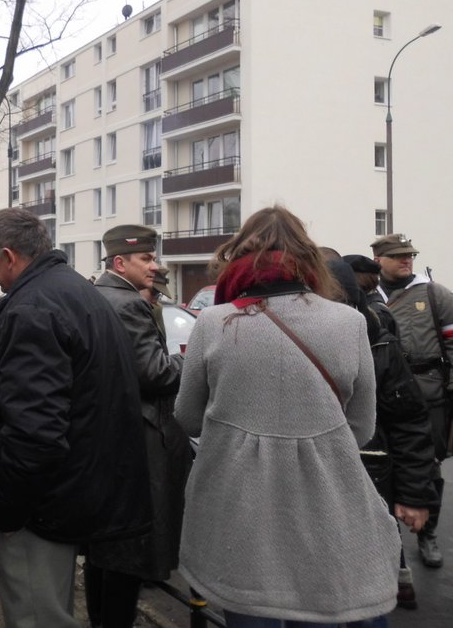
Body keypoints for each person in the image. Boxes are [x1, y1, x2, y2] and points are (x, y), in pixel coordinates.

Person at [175, 206, 399, 628]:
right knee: (315, 605)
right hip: (322, 500)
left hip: (239, 503)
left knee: (248, 607)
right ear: (309, 259)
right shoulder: (350, 322)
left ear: (237, 257)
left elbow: (187, 417)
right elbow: (362, 426)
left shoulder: (213, 322)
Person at [0, 207, 151, 628]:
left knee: (38, 618)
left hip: (42, 505)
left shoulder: (33, 309)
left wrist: (9, 509)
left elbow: (35, 433)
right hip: (73, 491)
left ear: (10, 256)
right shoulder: (75, 290)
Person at [87, 226, 192, 628]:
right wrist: (192, 358)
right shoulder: (129, 303)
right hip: (139, 436)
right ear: (119, 263)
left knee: (104, 550)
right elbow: (154, 373)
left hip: (107, 435)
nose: (155, 265)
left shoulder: (97, 295)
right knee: (129, 552)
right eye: (146, 259)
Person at [341, 254, 438, 609]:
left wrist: (414, 493)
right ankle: (398, 578)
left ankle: (397, 578)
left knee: (377, 519)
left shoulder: (377, 325)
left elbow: (407, 417)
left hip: (376, 447)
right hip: (376, 448)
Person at [371, 232, 453, 569]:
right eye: (398, 256)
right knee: (383, 464)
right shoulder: (367, 294)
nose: (407, 260)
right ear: (378, 259)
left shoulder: (435, 294)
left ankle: (427, 534)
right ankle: (386, 537)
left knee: (428, 465)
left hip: (428, 392)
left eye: (410, 255)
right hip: (383, 396)